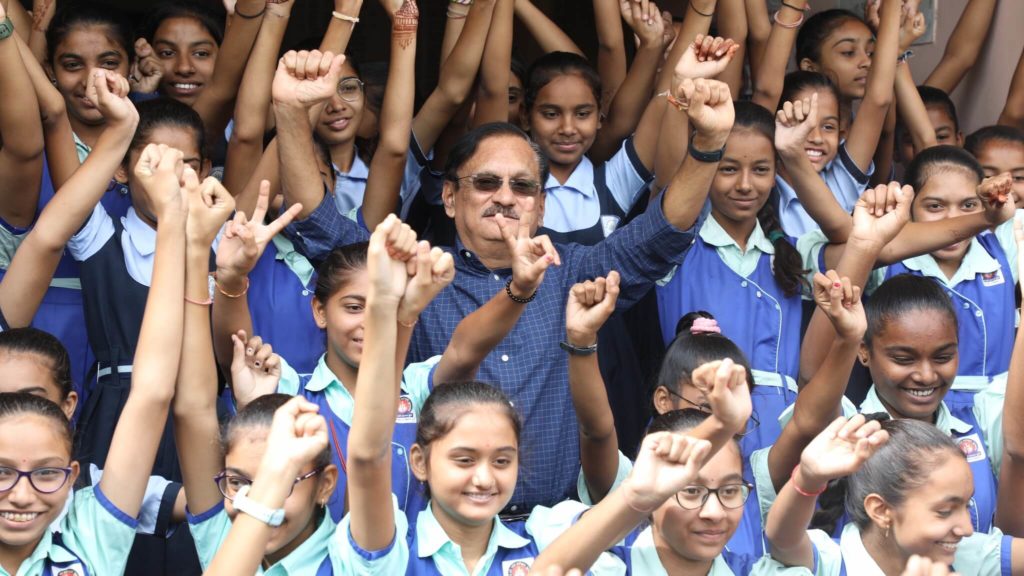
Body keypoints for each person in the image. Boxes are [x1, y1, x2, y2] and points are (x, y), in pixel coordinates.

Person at [273, 47, 735, 511]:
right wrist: (291, 113)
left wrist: (710, 142)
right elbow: (319, 226)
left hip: (557, 532)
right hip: (444, 531)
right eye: (487, 183)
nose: (505, 197)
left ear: (541, 206)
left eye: (522, 186)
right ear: (450, 198)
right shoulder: (418, 275)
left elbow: (662, 233)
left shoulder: (572, 271)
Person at [0, 137, 189, 575]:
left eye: (47, 474)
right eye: (1, 471)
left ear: (73, 472)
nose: (22, 494)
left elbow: (152, 390)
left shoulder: (89, 526)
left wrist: (175, 219)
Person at [765, 417, 1024, 574]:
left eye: (966, 506)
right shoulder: (832, 561)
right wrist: (807, 478)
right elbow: (783, 538)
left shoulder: (962, 554)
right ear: (880, 510)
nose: (967, 529)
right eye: (944, 511)